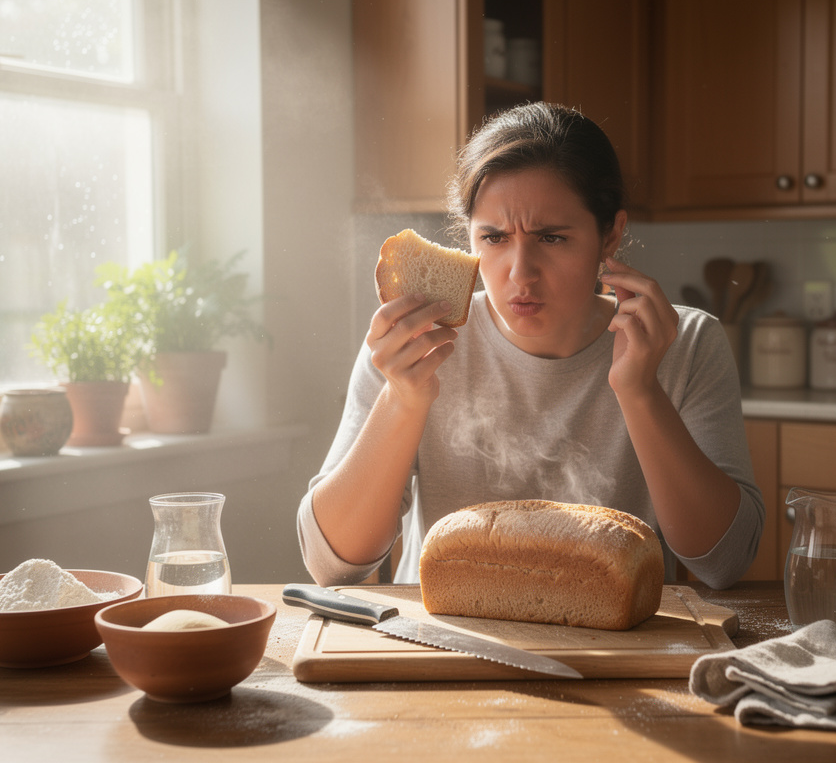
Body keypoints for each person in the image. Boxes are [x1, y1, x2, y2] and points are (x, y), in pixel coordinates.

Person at [297, 102, 764, 589]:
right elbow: (333, 565)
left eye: (552, 238)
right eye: (494, 238)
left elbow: (724, 561)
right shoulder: (413, 346)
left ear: (611, 234)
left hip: (612, 650)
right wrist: (402, 399)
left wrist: (640, 391)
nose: (521, 273)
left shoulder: (685, 345)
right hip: (445, 641)